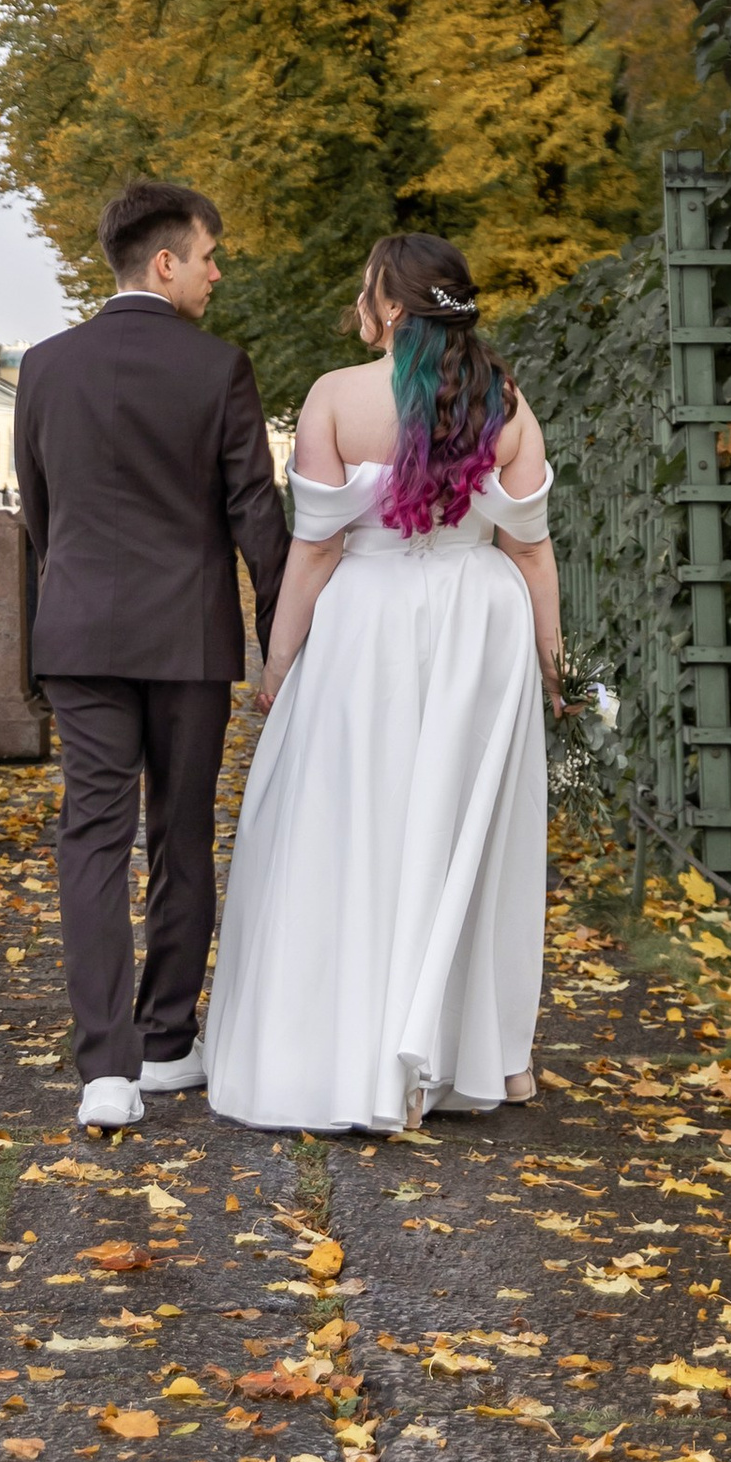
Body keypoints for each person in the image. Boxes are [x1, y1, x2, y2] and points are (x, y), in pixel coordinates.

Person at [203, 230, 560, 1132]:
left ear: (392, 305)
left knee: (354, 819)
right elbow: (529, 547)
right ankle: (480, 1054)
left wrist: (278, 661)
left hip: (369, 622)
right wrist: (552, 660)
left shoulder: (334, 396)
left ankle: (348, 1044)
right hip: (481, 624)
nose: (359, 302)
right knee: (466, 832)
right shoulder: (508, 402)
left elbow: (317, 547)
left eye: (368, 287)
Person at [15, 177, 289, 1132]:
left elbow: (41, 510)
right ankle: (168, 1040)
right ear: (165, 261)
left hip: (80, 631)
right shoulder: (219, 369)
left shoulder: (44, 366)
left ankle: (106, 1067)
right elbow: (257, 516)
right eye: (208, 257)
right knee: (180, 831)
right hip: (188, 637)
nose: (216, 273)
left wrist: (74, 589)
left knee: (91, 834)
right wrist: (283, 638)